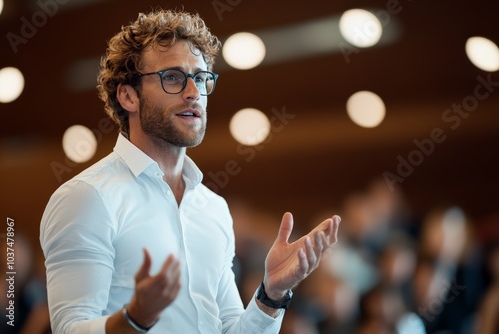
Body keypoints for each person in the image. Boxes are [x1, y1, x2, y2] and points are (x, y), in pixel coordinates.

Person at [39, 9, 340, 334]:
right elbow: (70, 329)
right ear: (128, 95)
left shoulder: (213, 207)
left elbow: (229, 329)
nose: (194, 92)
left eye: (200, 77)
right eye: (172, 77)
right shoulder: (87, 197)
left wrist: (271, 294)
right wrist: (136, 318)